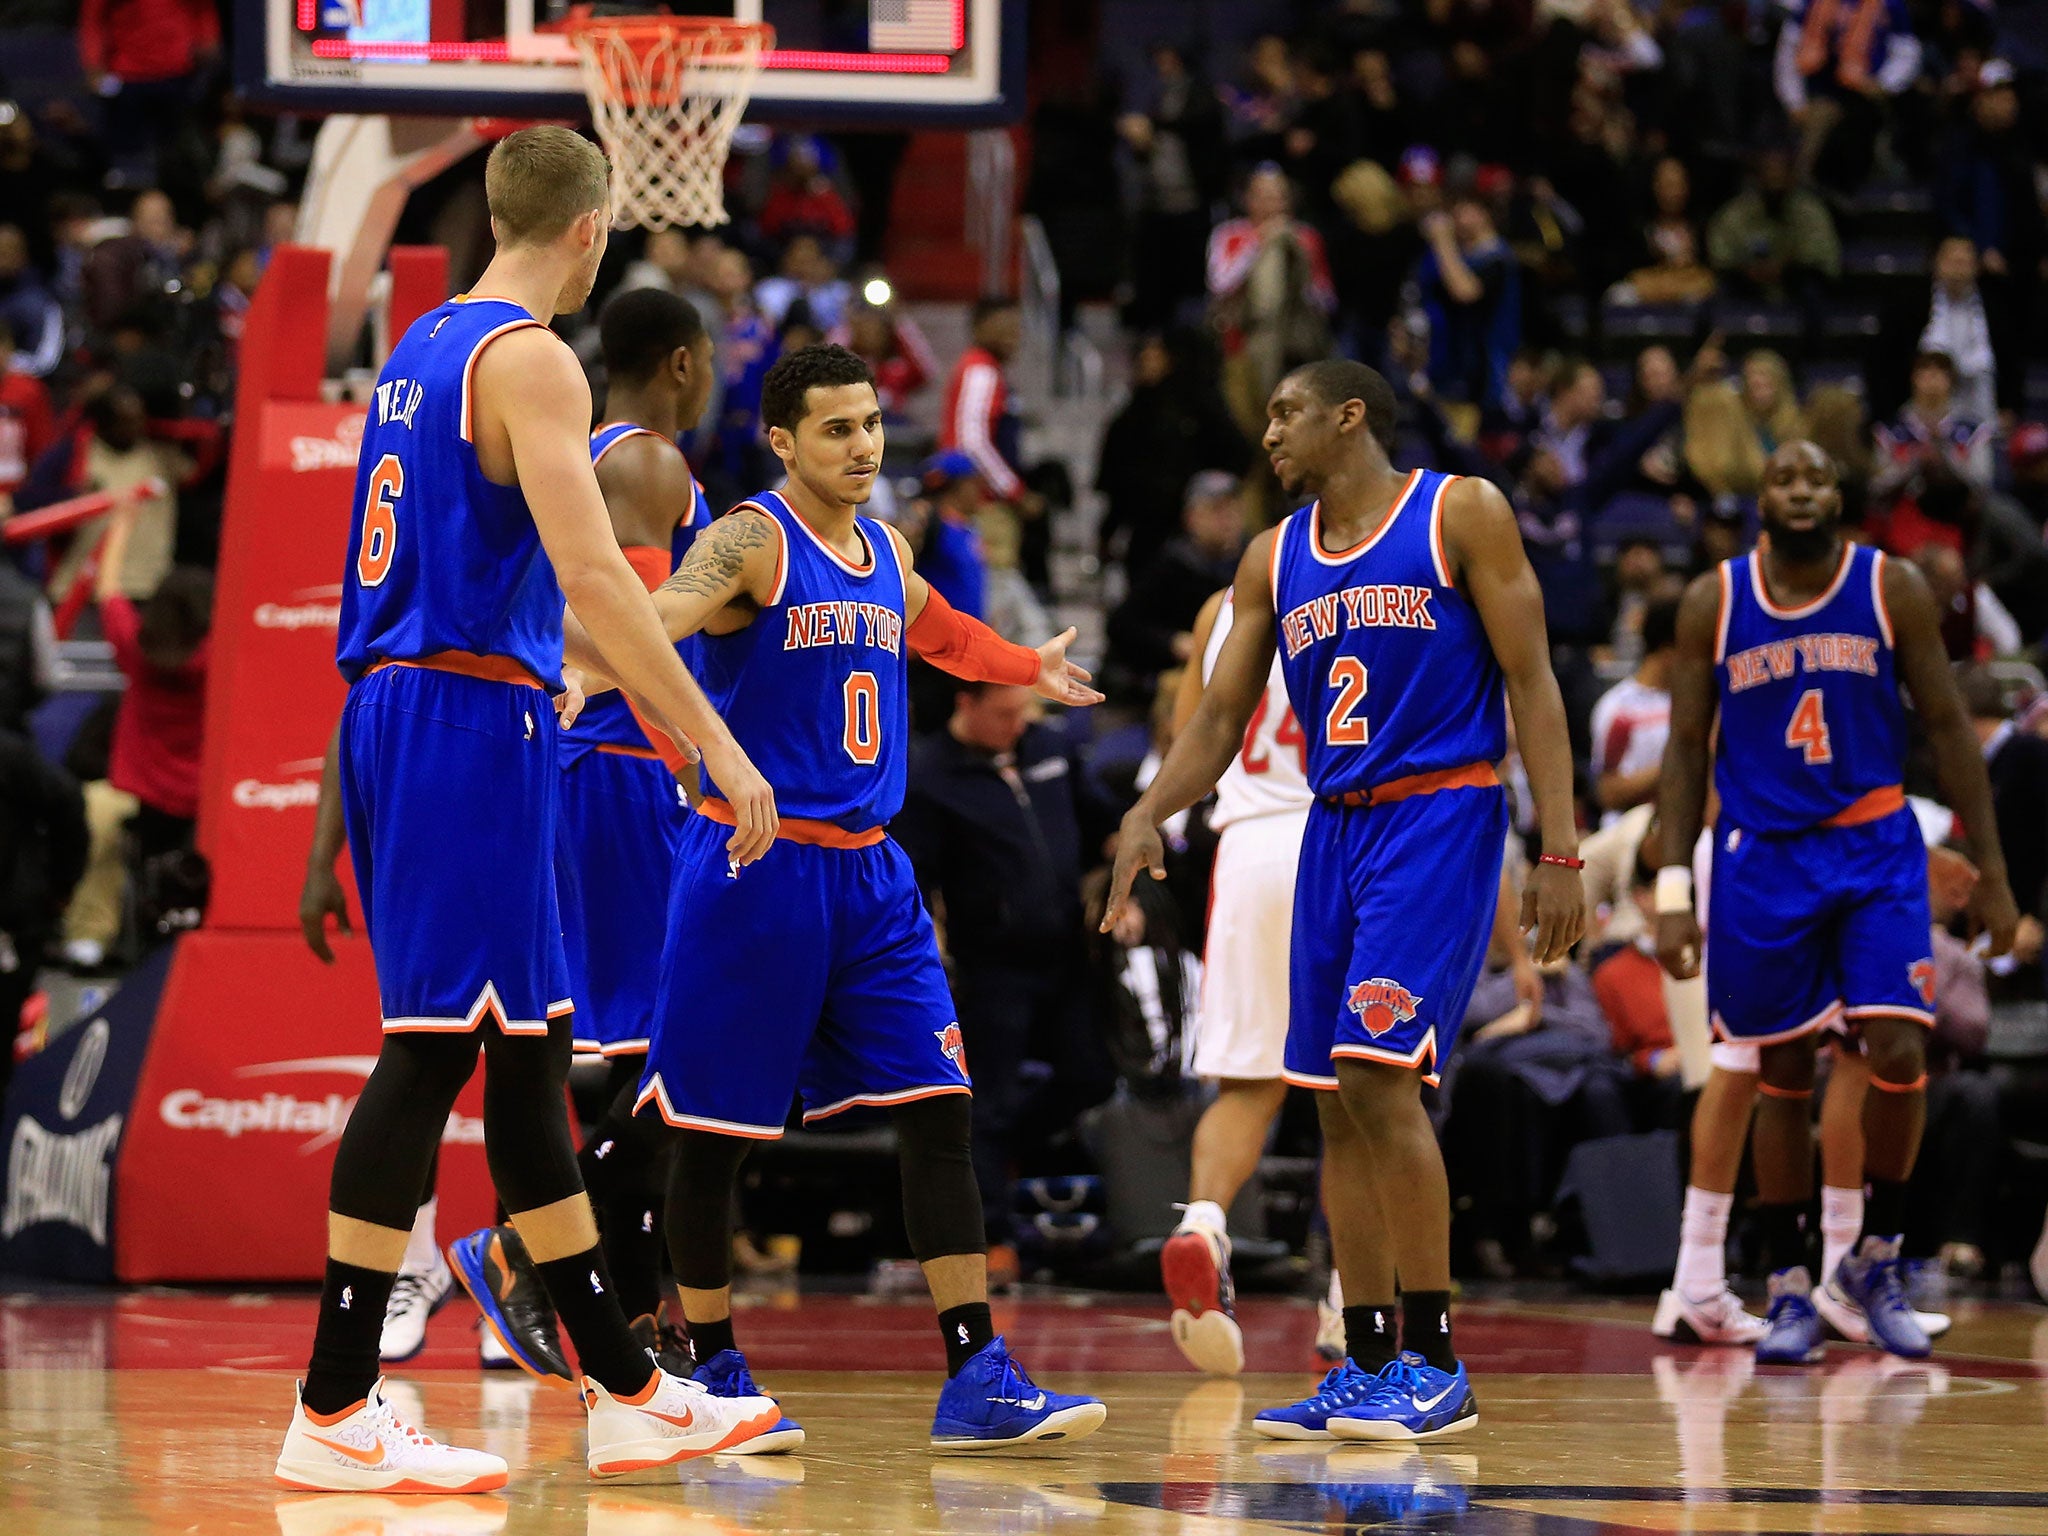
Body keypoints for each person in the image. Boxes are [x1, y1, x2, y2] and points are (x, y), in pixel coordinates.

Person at [274, 126, 787, 1495]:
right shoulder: (534, 358)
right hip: (462, 711)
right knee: (435, 1052)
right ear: (592, 227)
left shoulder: (417, 354)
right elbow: (596, 583)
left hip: (424, 709)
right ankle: (334, 1401)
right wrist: (716, 744)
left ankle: (623, 1387)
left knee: (526, 1058)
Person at [621, 343, 1109, 1451]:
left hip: (872, 872)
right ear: (783, 441)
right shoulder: (748, 536)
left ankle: (976, 1372)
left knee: (938, 1105)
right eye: (836, 430)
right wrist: (694, 740)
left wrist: (1022, 666)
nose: (863, 447)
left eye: (873, 425)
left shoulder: (885, 548)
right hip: (757, 860)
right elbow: (650, 624)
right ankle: (710, 1363)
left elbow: (939, 634)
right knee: (712, 1133)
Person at [1106, 359, 1586, 1439]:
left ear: (1348, 416)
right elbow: (1221, 711)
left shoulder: (1458, 511)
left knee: (1379, 1078)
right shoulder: (1270, 559)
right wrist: (1153, 810)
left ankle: (1435, 1357)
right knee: (1328, 1094)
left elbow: (1533, 679)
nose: (1268, 434)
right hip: (1330, 823)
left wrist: (1559, 849)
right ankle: (1364, 1359)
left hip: (1437, 812)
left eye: (1285, 414)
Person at [1652, 440, 2018, 1365]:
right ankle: (1785, 1284)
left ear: (1841, 494)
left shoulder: (1890, 587)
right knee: (1781, 1075)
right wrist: (1669, 885)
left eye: (1819, 475)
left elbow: (1947, 728)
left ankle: (1874, 1260)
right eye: (1784, 476)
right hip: (1762, 857)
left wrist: (1993, 869)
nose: (1803, 487)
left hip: (1873, 843)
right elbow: (1686, 748)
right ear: (1761, 497)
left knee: (1898, 1047)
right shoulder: (1715, 601)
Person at [435, 286, 719, 1381]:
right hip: (627, 774)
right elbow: (630, 627)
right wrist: (700, 763)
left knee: (613, 1066)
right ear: (684, 362)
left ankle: (628, 1316)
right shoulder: (647, 462)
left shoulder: (586, 450)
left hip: (580, 772)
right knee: (664, 1066)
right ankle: (518, 1254)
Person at [897, 680, 1104, 1291]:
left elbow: (1101, 824)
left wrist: (1121, 876)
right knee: (983, 1101)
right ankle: (995, 1239)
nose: (1019, 724)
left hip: (1070, 954)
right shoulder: (931, 773)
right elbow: (918, 876)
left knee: (1090, 1076)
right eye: (1005, 713)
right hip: (993, 964)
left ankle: (1013, 1148)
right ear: (966, 704)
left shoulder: (1051, 749)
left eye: (1025, 712)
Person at [1155, 579, 1313, 1377]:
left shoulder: (1218, 608)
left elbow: (1191, 735)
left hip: (1245, 847)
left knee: (1248, 1085)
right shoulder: (1367, 592)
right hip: (1334, 838)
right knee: (1370, 1092)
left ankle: (1205, 1222)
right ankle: (1356, 1308)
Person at [1589, 595, 1679, 823]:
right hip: (1626, 831)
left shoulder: (1694, 702)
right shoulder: (1619, 708)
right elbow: (1608, 793)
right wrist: (1680, 763)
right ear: (1668, 651)